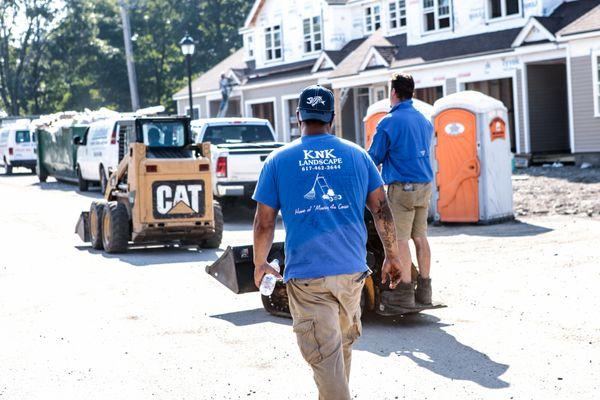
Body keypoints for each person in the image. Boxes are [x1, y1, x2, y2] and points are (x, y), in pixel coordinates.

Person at [252, 85, 405, 400]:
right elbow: (382, 208)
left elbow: (263, 221)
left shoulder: (279, 160)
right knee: (337, 353)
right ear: (332, 118)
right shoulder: (357, 155)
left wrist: (260, 263)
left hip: (309, 279)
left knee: (326, 357)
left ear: (298, 117)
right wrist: (392, 255)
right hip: (351, 275)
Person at [368, 72, 435, 306]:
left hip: (402, 189)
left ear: (393, 92)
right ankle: (425, 290)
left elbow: (373, 157)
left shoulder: (388, 122)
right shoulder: (424, 120)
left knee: (400, 240)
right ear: (412, 93)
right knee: (420, 237)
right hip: (425, 186)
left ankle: (404, 292)